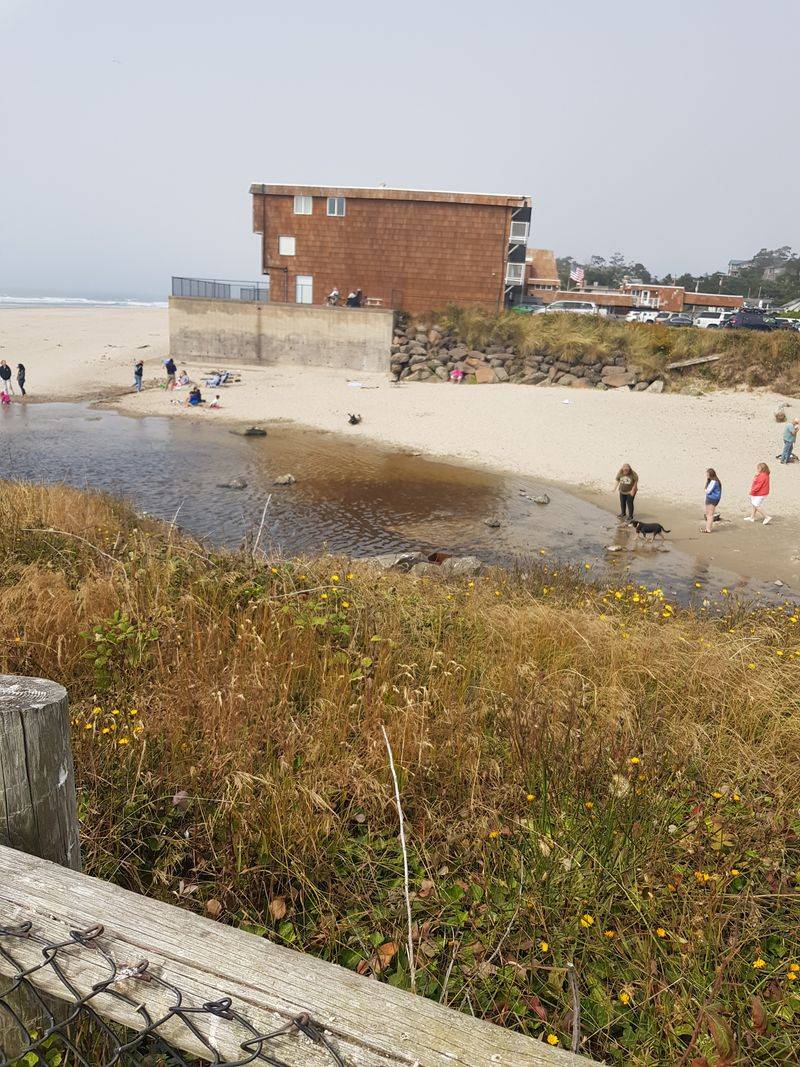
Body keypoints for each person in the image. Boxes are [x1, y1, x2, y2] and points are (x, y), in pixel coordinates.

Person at [703, 468, 722, 533]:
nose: (707, 476)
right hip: (712, 499)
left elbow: (708, 491)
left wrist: (705, 490)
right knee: (708, 514)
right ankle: (707, 528)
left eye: (708, 474)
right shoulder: (714, 481)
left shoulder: (714, 481)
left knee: (710, 515)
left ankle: (708, 529)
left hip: (712, 499)